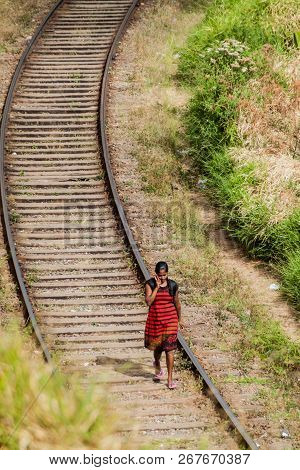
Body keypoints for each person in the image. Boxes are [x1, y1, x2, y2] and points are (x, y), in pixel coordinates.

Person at [144, 261, 183, 389]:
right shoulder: (149, 284)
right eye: (160, 275)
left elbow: (177, 303)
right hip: (156, 320)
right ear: (156, 274)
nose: (162, 278)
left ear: (167, 273)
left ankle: (170, 379)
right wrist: (157, 286)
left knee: (170, 350)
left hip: (170, 321)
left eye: (164, 275)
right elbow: (149, 302)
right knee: (157, 349)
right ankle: (157, 364)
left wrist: (179, 319)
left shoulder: (173, 285)